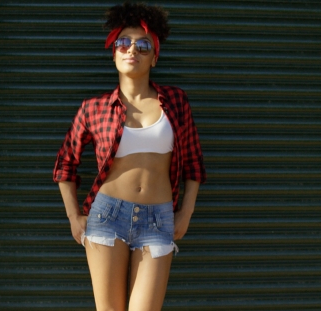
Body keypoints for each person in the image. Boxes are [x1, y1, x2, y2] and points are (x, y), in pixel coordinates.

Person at [53, 2, 206, 310]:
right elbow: (65, 165)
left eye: (143, 44)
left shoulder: (175, 101)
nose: (132, 49)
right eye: (124, 42)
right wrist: (74, 217)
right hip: (107, 215)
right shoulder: (93, 108)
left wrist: (185, 213)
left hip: (158, 218)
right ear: (114, 52)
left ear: (154, 57)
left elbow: (193, 164)